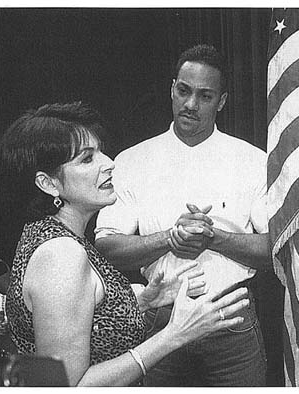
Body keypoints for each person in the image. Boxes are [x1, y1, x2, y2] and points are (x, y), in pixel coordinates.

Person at [0, 102, 250, 386]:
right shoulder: (61, 255)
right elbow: (68, 387)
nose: (109, 163)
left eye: (100, 151)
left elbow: (87, 324)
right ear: (48, 184)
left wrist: (142, 300)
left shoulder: (54, 236)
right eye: (87, 159)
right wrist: (173, 335)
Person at [94, 44, 270, 386]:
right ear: (171, 89)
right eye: (184, 91)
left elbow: (273, 250)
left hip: (230, 318)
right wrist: (169, 239)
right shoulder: (133, 160)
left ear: (221, 102)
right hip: (162, 318)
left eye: (205, 96)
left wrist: (214, 238)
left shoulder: (252, 161)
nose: (191, 104)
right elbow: (107, 246)